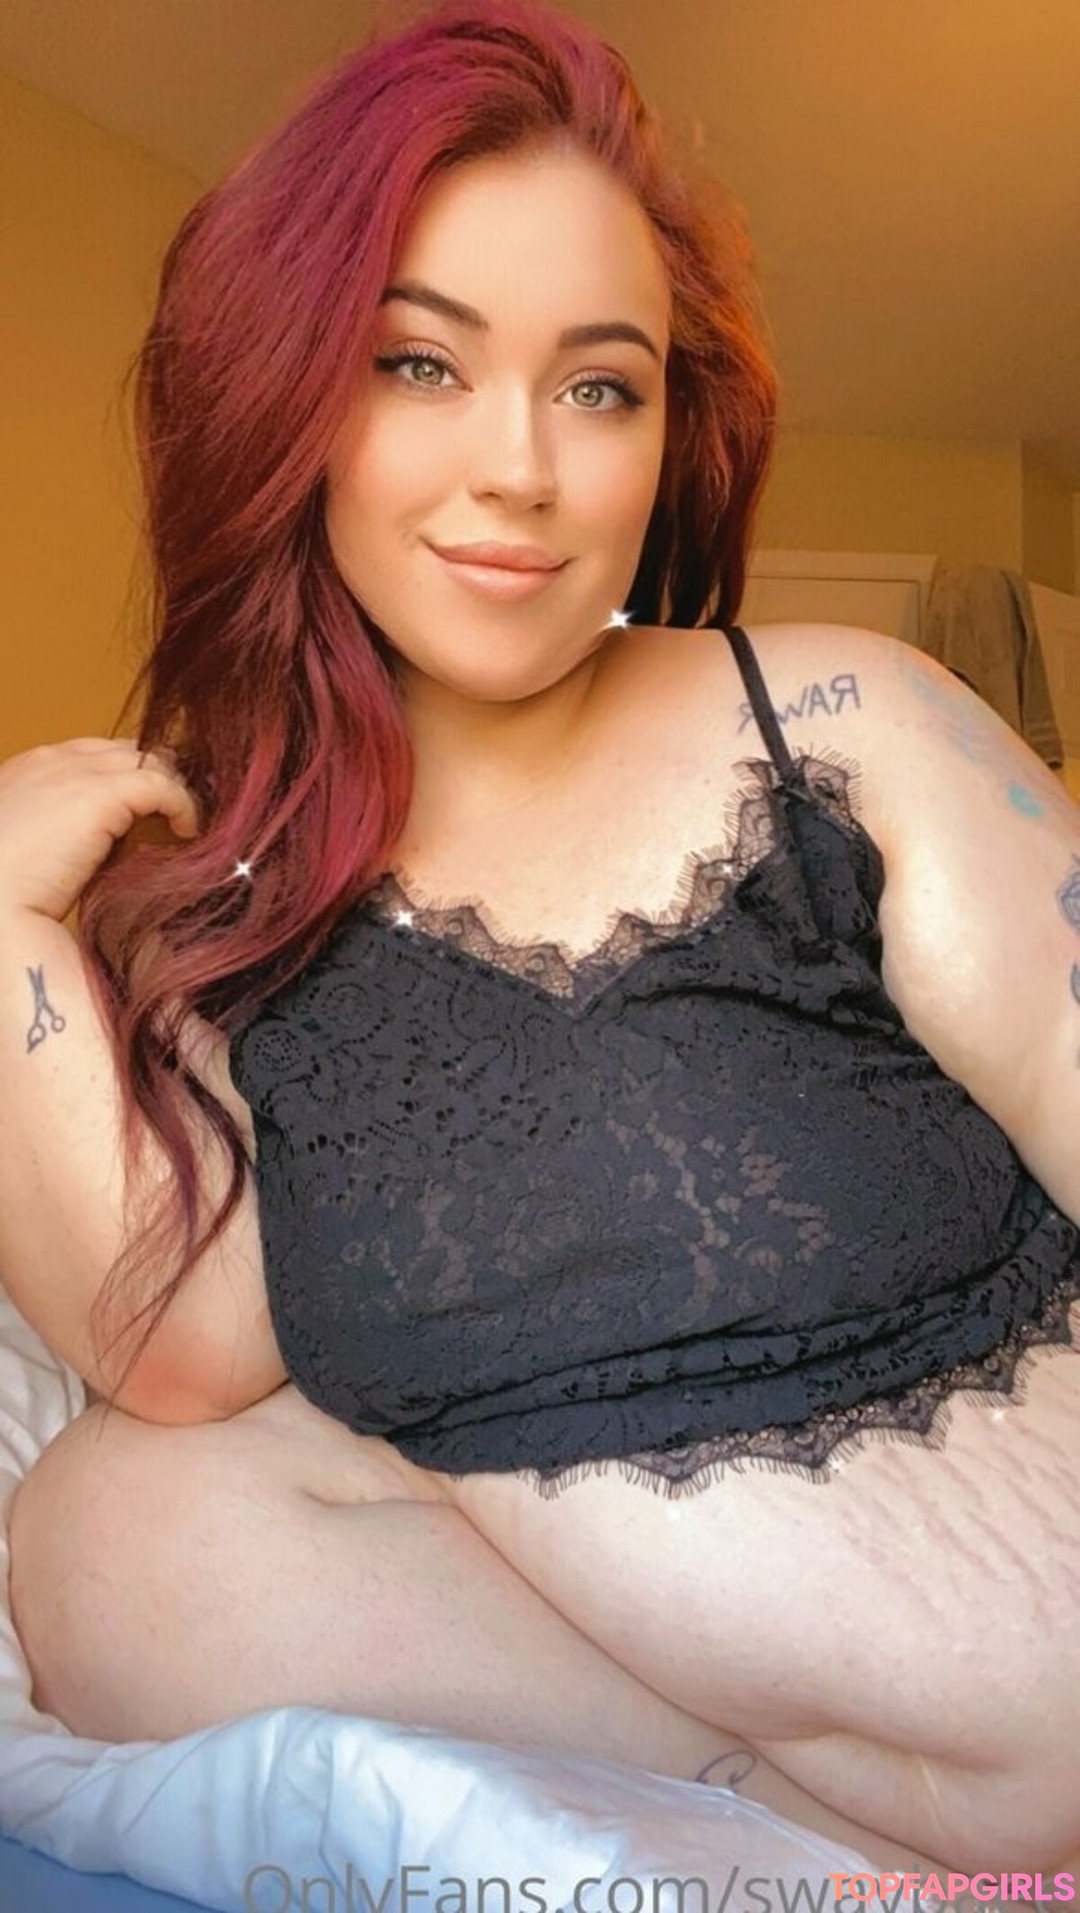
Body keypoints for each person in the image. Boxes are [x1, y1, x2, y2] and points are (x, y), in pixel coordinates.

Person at [4, 0, 1080, 1876]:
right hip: (766, 1747)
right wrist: (7, 925)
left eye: (600, 387)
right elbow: (176, 1347)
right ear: (289, 394)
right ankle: (846, 1808)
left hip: (1030, 1627)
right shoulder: (230, 888)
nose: (521, 465)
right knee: (110, 1535)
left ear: (673, 429)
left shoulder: (840, 729)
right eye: (421, 364)